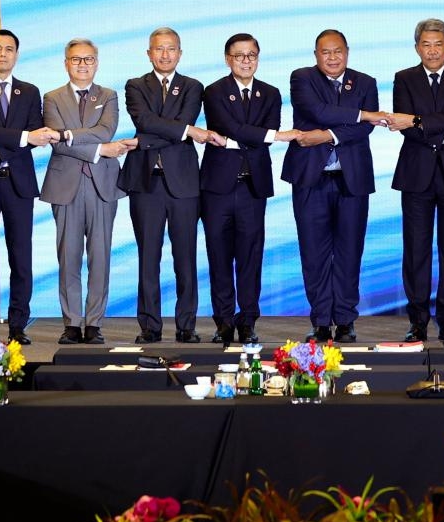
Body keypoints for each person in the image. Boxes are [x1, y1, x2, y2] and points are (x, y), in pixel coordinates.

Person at [281, 29, 387, 343]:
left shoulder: (365, 82)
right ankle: (320, 321)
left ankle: (344, 320)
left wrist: (328, 135)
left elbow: (363, 130)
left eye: (337, 51)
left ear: (347, 51)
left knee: (349, 252)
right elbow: (318, 112)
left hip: (351, 179)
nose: (332, 57)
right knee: (313, 253)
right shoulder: (302, 78)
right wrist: (363, 114)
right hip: (310, 179)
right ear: (316, 55)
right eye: (325, 52)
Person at [200, 33, 299, 346]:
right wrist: (272, 135)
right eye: (239, 55)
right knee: (218, 255)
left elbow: (252, 134)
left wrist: (254, 137)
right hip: (217, 188)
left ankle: (248, 321)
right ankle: (223, 322)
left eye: (251, 55)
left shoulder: (270, 93)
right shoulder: (214, 91)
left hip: (252, 187)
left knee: (250, 256)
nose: (246, 61)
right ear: (228, 58)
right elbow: (231, 127)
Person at [0, 29, 59, 344]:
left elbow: (37, 134)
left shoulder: (29, 92)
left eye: (9, 49)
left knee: (21, 255)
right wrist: (20, 139)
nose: (3, 54)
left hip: (18, 183)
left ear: (17, 54)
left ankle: (18, 325)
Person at [387, 18, 444, 343]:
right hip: (416, 177)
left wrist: (419, 121)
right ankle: (417, 321)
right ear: (417, 48)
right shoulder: (404, 78)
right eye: (426, 44)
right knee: (416, 251)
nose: (432, 50)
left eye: (438, 44)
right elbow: (406, 128)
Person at [118, 27, 210, 344]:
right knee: (148, 257)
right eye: (159, 49)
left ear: (180, 53)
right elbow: (145, 120)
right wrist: (185, 131)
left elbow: (168, 124)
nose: (165, 54)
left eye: (171, 49)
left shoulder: (193, 87)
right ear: (149, 53)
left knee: (185, 257)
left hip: (183, 184)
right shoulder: (135, 86)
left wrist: (142, 141)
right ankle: (150, 326)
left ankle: (187, 325)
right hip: (145, 183)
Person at [41, 38, 135, 345]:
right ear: (66, 63)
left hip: (102, 186)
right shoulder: (52, 98)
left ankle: (94, 323)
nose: (83, 64)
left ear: (97, 62)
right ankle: (72, 323)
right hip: (65, 185)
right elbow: (55, 142)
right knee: (68, 257)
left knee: (100, 256)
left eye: (89, 59)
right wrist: (99, 150)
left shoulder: (108, 95)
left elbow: (105, 130)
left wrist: (69, 135)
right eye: (76, 59)